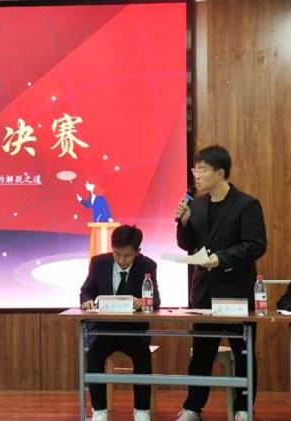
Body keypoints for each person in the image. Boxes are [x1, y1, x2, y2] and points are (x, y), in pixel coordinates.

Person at [175, 145, 267, 421]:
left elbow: (256, 245)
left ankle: (243, 408)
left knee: (243, 352)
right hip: (204, 292)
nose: (197, 175)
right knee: (201, 353)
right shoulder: (197, 205)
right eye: (195, 170)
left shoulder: (247, 204)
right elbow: (187, 245)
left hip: (236, 291)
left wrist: (221, 258)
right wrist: (184, 223)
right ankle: (193, 407)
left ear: (221, 172)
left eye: (202, 170)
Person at [80, 224, 160, 421]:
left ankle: (141, 410)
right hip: (104, 330)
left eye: (128, 256)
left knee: (143, 357)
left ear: (137, 252)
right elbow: (86, 291)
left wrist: (144, 301)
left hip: (133, 331)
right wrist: (87, 301)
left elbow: (156, 299)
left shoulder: (147, 265)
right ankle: (99, 411)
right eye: (117, 254)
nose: (122, 260)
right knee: (93, 355)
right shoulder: (98, 263)